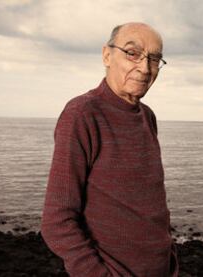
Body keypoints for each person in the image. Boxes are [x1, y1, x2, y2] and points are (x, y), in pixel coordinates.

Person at [41, 22, 178, 277]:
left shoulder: (147, 117)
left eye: (155, 59)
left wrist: (169, 259)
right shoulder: (82, 114)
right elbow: (56, 221)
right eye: (132, 53)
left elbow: (150, 205)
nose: (145, 68)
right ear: (107, 55)